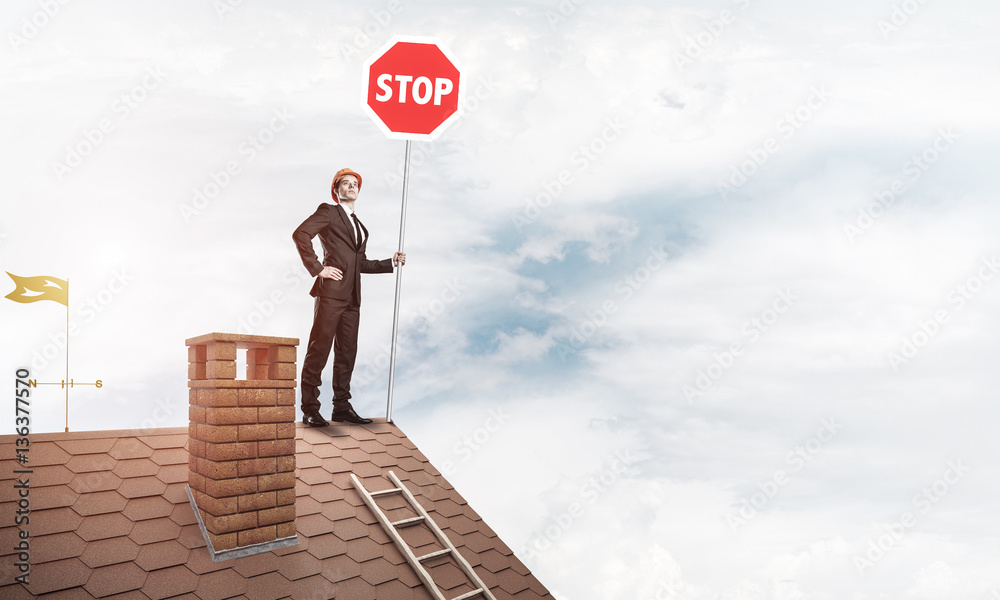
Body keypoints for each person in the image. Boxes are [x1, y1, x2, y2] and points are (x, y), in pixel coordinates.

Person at [292, 167, 405, 426]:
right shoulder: (328, 212)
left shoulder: (358, 225)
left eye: (355, 183)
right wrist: (318, 268)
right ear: (337, 190)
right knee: (319, 350)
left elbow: (360, 263)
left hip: (353, 298)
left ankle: (341, 407)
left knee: (347, 353)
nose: (351, 186)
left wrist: (391, 262)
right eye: (346, 183)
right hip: (331, 295)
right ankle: (310, 409)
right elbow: (301, 234)